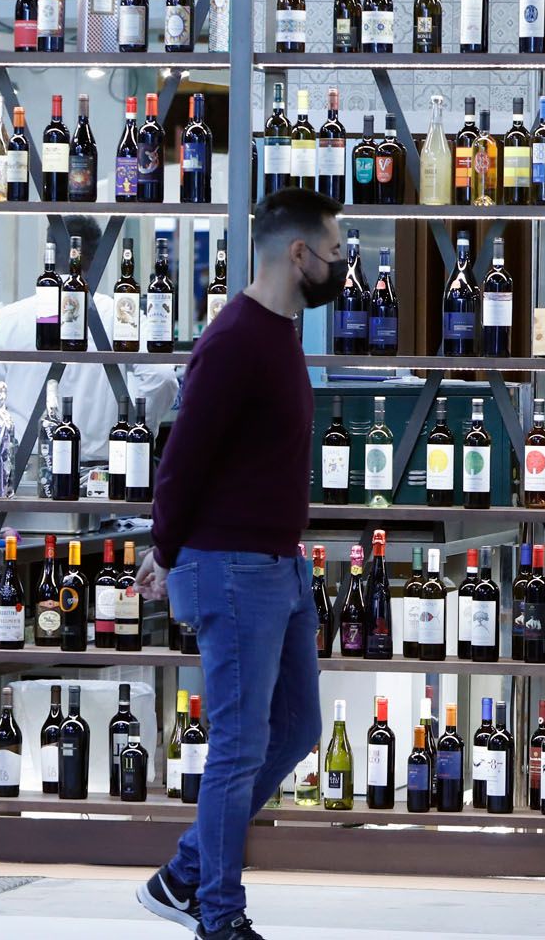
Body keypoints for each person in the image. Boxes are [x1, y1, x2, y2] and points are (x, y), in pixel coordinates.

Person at [132, 189, 346, 940]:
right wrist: (164, 549)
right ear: (299, 255)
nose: (341, 266)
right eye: (336, 252)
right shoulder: (234, 340)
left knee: (296, 729)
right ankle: (218, 916)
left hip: (276, 566)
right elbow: (182, 460)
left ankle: (185, 871)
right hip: (229, 567)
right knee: (237, 745)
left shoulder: (279, 332)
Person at [0, 214, 182, 442]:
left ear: (48, 253)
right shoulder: (120, 314)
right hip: (102, 469)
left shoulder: (8, 318)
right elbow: (162, 378)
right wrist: (138, 430)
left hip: (27, 465)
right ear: (94, 259)